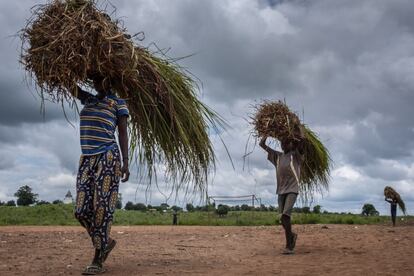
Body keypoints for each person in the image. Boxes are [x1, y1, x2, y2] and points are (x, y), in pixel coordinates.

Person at [71, 75, 130, 275]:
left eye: (102, 80)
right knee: (80, 210)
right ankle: (106, 242)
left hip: (108, 156)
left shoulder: (117, 103)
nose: (97, 83)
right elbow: (69, 86)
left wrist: (126, 162)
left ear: (110, 81)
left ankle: (98, 259)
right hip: (87, 158)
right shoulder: (89, 99)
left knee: (102, 209)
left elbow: (123, 133)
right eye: (95, 80)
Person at [259, 130, 304, 255]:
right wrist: (267, 132)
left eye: (286, 143)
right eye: (282, 144)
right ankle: (292, 236)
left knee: (286, 215)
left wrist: (298, 128)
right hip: (281, 190)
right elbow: (262, 144)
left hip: (292, 189)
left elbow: (302, 142)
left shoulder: (296, 155)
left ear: (291, 144)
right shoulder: (277, 156)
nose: (284, 146)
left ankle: (289, 246)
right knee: (283, 219)